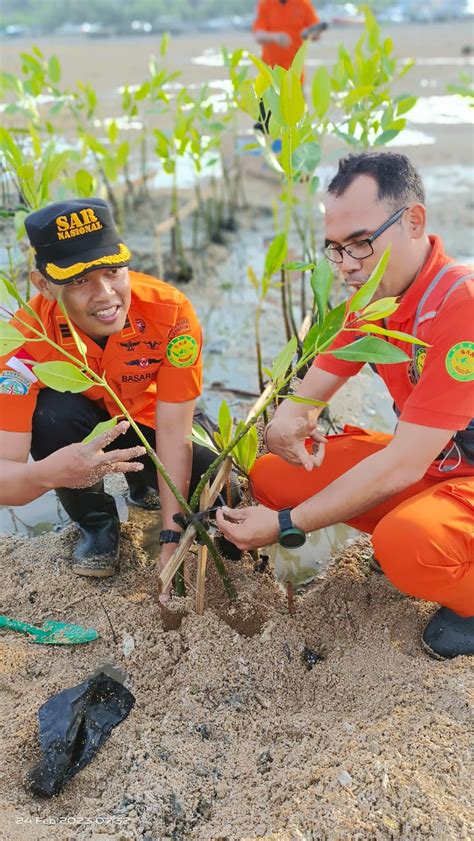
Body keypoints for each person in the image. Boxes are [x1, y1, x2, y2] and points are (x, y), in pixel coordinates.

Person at [217, 152, 474, 660]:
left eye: (361, 243)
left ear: (414, 221)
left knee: (404, 545)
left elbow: (402, 462)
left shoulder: (461, 305)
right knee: (275, 474)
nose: (348, 265)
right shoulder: (374, 298)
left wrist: (287, 525)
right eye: (336, 249)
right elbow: (301, 403)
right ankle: (431, 530)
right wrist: (288, 424)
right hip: (442, 460)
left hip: (438, 462)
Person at [0, 198, 235, 580]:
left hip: (152, 420)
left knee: (221, 485)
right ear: (43, 284)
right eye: (79, 280)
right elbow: (4, 474)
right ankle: (96, 524)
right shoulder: (24, 343)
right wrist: (48, 473)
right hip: (83, 430)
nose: (106, 294)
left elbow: (175, 434)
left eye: (113, 271)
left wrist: (170, 538)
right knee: (51, 414)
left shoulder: (170, 313)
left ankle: (145, 489)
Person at [253, 0, 323, 73]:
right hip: (270, 71)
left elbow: (316, 29)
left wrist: (313, 34)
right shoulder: (265, 3)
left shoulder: (303, 3)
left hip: (295, 71)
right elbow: (258, 35)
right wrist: (274, 37)